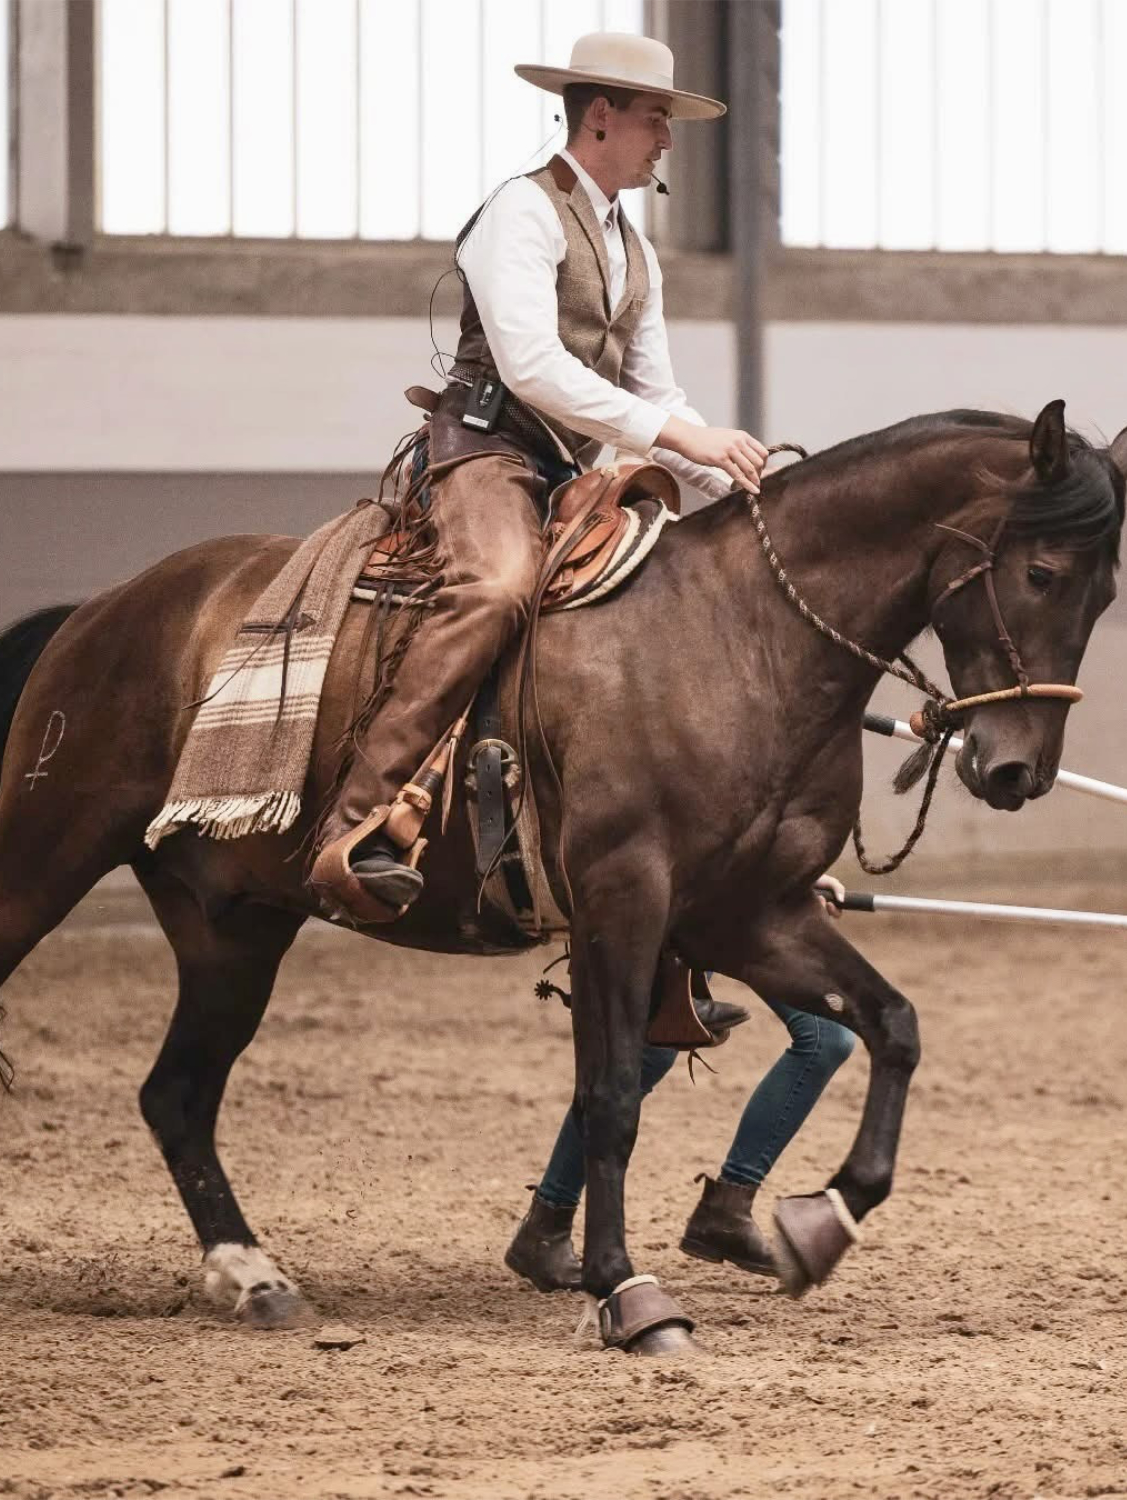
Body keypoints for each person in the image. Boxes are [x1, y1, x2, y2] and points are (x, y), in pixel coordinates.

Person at [307, 31, 769, 922]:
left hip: (569, 467)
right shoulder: (520, 212)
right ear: (600, 117)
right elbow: (531, 366)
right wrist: (679, 435)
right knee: (496, 585)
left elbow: (656, 389)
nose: (666, 140)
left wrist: (733, 480)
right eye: (654, 119)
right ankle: (357, 824)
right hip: (485, 449)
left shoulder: (637, 251)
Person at [506, 884, 856, 1291]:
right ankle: (547, 1224)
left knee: (826, 1035)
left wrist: (799, 873)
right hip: (693, 892)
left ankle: (729, 1207)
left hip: (741, 898)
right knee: (650, 1054)